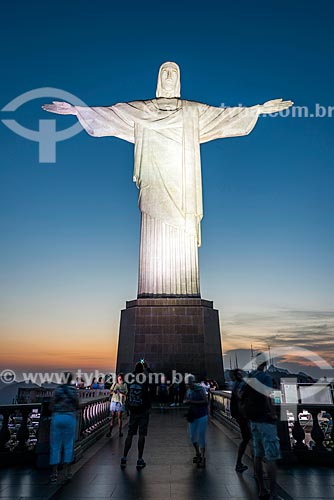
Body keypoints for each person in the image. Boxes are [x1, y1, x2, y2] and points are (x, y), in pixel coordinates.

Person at [43, 63, 293, 298]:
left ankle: (185, 291)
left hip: (183, 182)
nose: (169, 77)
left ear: (180, 79)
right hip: (153, 178)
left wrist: (258, 110)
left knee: (182, 225)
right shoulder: (142, 110)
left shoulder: (193, 111)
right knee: (153, 223)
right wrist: (77, 110)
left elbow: (224, 117)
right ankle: (152, 291)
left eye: (174, 72)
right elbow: (110, 115)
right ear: (158, 79)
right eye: (165, 72)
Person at [244, 353, 282, 500]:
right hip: (265, 420)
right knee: (271, 456)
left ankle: (261, 489)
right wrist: (273, 413)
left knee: (257, 455)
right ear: (265, 363)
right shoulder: (265, 377)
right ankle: (273, 493)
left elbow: (242, 394)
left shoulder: (250, 376)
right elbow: (268, 396)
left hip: (253, 420)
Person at [120, 362, 151, 470]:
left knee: (130, 434)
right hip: (143, 410)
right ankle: (139, 459)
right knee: (141, 435)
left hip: (133, 410)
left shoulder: (130, 379)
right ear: (142, 370)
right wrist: (147, 368)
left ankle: (124, 457)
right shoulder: (145, 379)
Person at [49, 372, 79, 483]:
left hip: (57, 417)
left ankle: (54, 473)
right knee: (68, 444)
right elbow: (77, 405)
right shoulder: (73, 390)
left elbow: (51, 405)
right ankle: (68, 473)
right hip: (69, 417)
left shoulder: (57, 390)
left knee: (55, 445)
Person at [184, 374, 208, 468]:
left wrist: (191, 402)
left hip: (202, 415)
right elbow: (187, 399)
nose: (189, 386)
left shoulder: (200, 389)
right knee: (192, 436)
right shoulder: (189, 390)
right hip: (193, 415)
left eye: (189, 384)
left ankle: (202, 456)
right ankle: (198, 453)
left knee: (201, 436)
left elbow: (206, 401)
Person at [230, 369, 251, 473]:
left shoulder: (236, 385)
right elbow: (240, 398)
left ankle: (240, 463)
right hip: (242, 416)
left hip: (240, 415)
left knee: (247, 438)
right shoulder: (239, 385)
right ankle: (256, 467)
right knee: (249, 438)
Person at [106, 373, 127, 437]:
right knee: (112, 417)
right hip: (114, 402)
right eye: (119, 377)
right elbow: (110, 392)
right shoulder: (114, 384)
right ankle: (110, 432)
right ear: (117, 378)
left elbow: (125, 394)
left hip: (120, 402)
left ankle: (120, 432)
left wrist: (119, 392)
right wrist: (114, 392)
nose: (120, 379)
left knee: (119, 418)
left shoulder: (124, 385)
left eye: (121, 377)